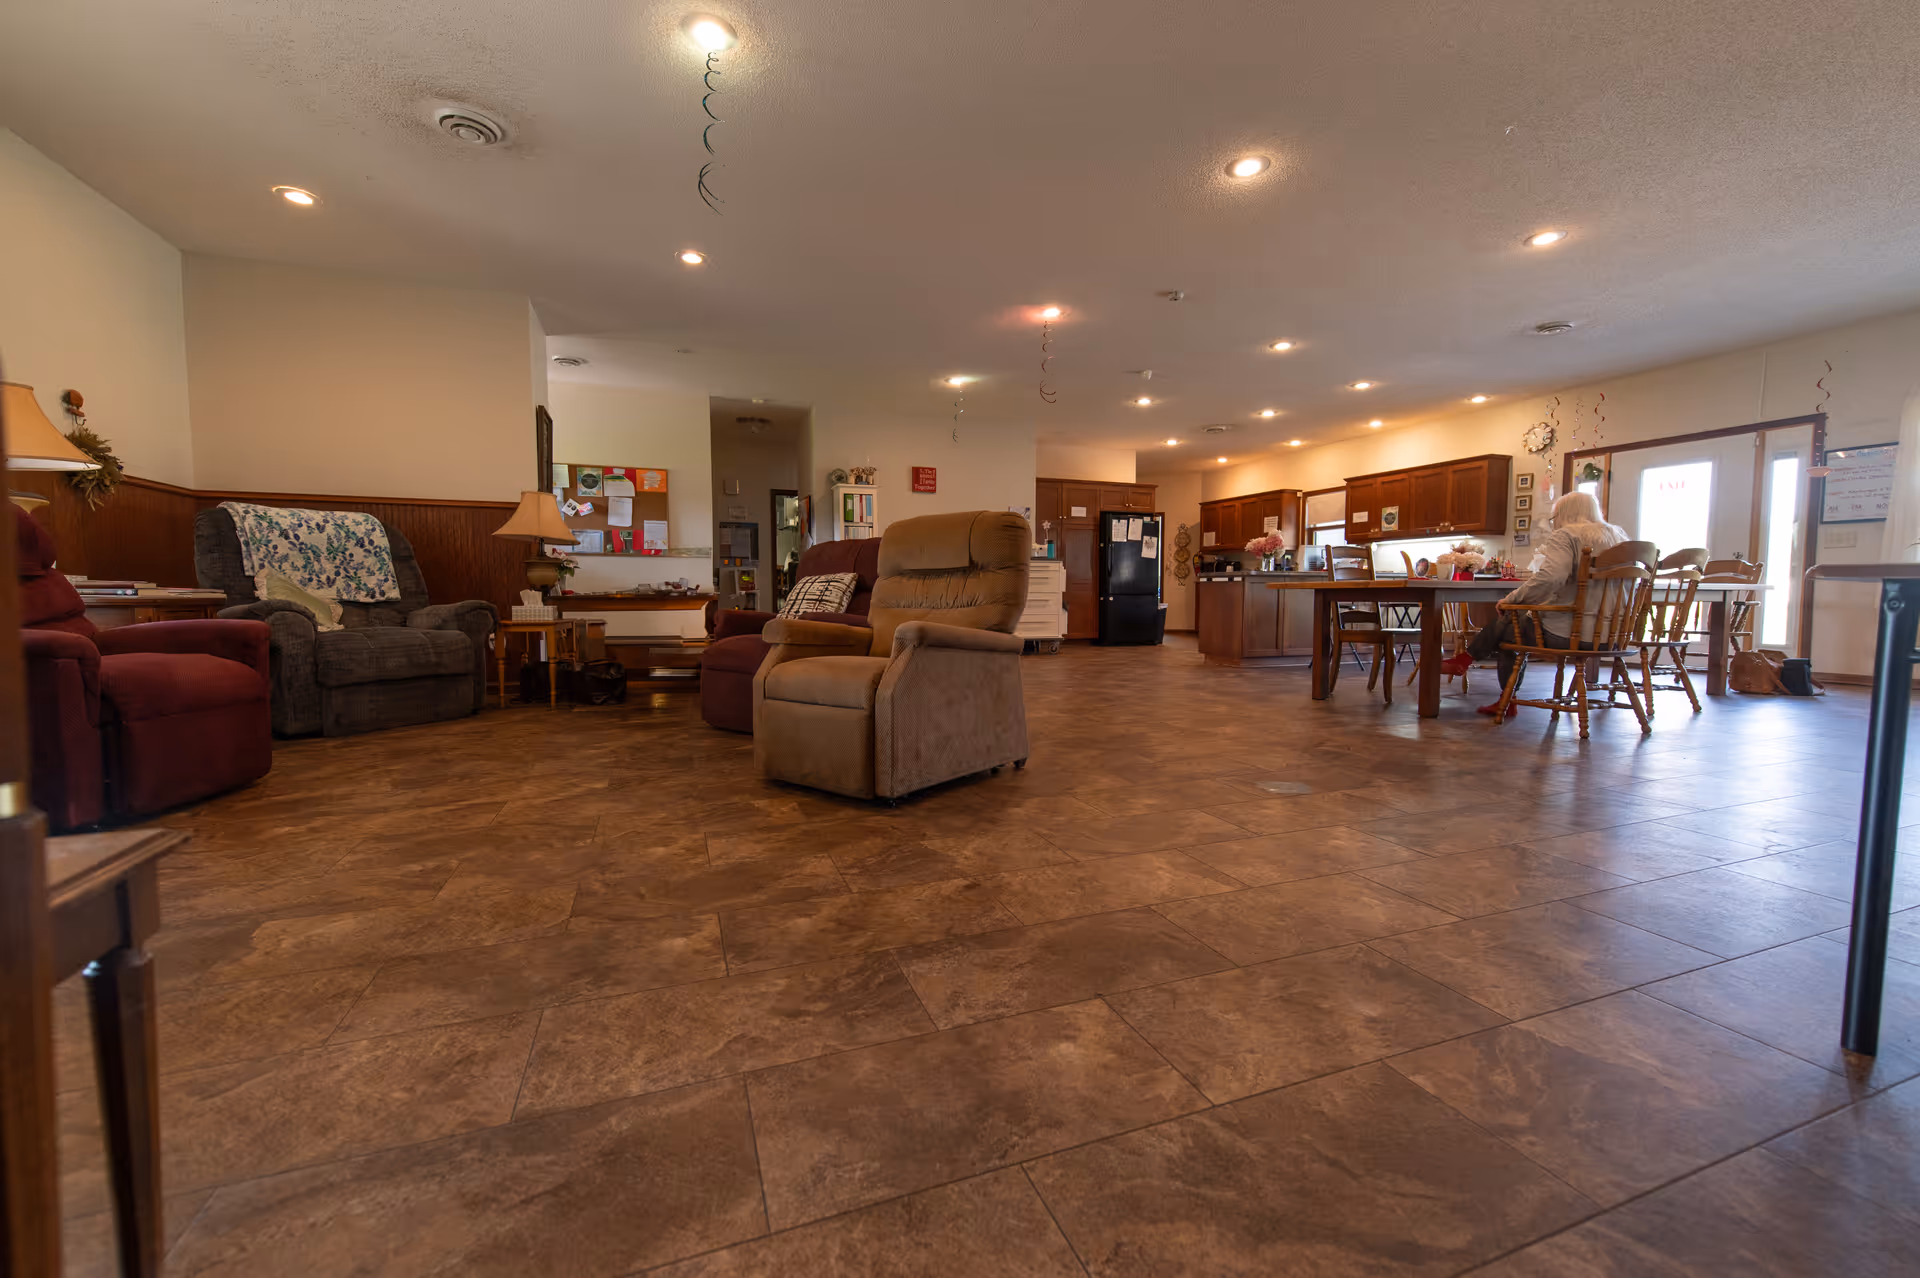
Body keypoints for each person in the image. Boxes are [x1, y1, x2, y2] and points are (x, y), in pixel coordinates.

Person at [1439, 491, 1628, 715]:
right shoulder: (1620, 538)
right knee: (1513, 622)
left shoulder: (1567, 535)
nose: (1553, 523)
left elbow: (1550, 578)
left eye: (1554, 517)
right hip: (1615, 637)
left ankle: (1502, 695)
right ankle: (1470, 664)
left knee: (1509, 627)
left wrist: (1511, 600)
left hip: (1571, 634)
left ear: (1563, 515)